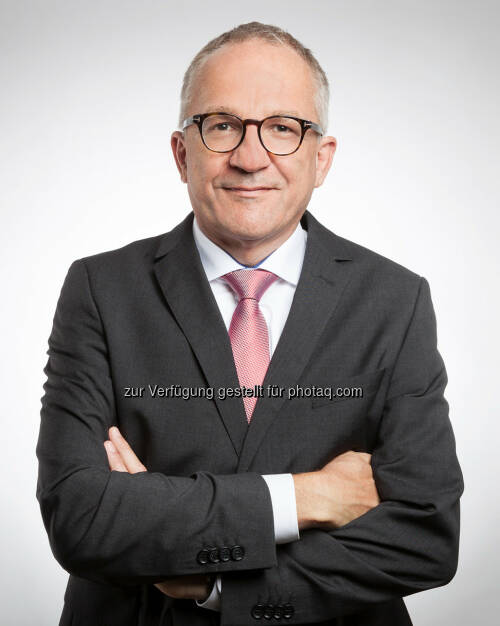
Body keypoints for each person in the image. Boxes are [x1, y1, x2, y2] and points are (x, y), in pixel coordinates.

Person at [36, 21, 464, 626]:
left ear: (322, 159)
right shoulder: (100, 290)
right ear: (183, 152)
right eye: (223, 125)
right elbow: (80, 518)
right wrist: (308, 497)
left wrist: (214, 581)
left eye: (283, 128)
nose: (250, 156)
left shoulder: (395, 300)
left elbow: (426, 537)